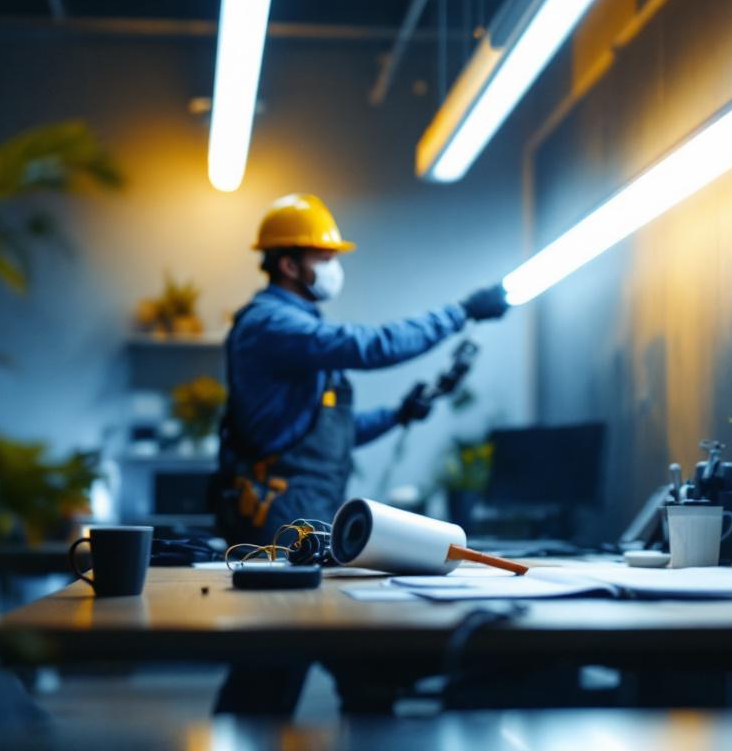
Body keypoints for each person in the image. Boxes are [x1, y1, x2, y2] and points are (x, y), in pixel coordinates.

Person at [210, 192, 509, 550]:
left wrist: (396, 415)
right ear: (288, 265)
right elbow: (372, 346)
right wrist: (461, 313)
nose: (334, 268)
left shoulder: (299, 325)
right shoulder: (272, 324)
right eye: (324, 259)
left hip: (305, 508)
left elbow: (327, 435)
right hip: (279, 514)